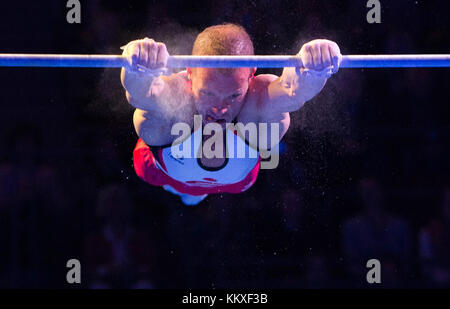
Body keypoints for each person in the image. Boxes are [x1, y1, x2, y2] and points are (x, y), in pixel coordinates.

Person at [120, 23, 341, 205]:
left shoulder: (259, 102)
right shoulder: (175, 99)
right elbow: (141, 93)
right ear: (189, 71)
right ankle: (191, 195)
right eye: (208, 93)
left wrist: (313, 66)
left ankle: (192, 195)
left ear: (251, 75)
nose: (219, 109)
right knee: (166, 115)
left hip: (234, 182)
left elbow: (294, 91)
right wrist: (138, 66)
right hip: (162, 174)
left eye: (233, 96)